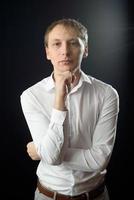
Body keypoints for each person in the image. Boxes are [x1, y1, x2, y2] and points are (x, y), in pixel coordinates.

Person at [20, 18, 119, 200]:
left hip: (96, 196)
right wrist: (59, 98)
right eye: (56, 44)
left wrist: (42, 151)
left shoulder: (107, 94)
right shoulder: (31, 95)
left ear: (86, 49)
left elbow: (99, 160)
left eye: (73, 43)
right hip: (47, 196)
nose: (64, 51)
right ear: (47, 52)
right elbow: (51, 157)